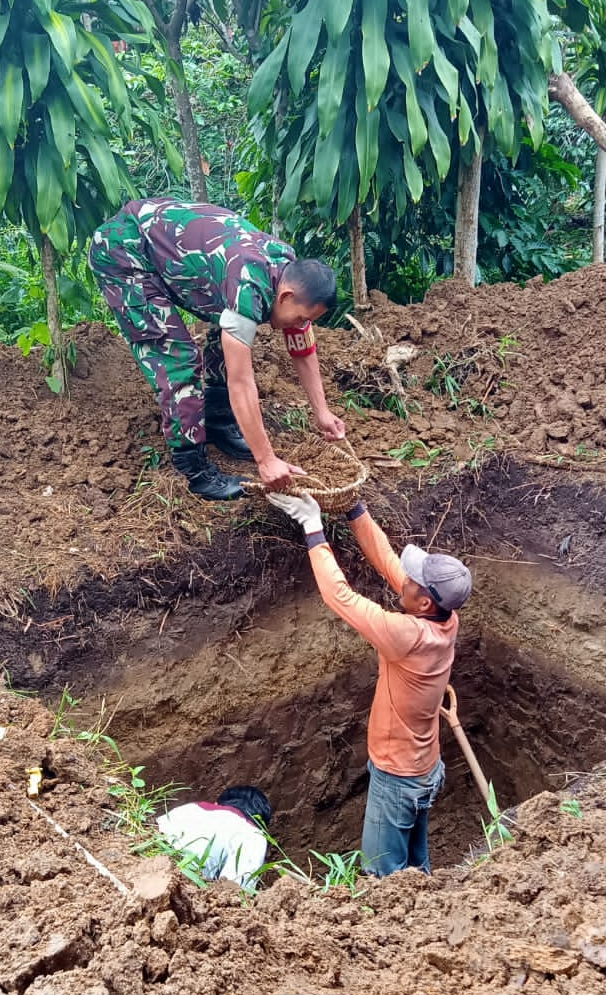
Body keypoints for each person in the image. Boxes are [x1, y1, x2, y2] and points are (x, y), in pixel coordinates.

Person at [267, 489, 472, 877]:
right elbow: (388, 562)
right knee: (415, 865)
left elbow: (340, 597)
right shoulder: (446, 618)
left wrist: (313, 528)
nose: (405, 579)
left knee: (384, 877)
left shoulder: (405, 635)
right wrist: (354, 508)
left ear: (424, 602)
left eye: (413, 581)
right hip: (425, 770)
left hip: (397, 779)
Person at [89, 199, 344, 501]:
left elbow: (302, 344)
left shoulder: (286, 270)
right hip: (124, 250)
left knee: (233, 338)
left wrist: (322, 412)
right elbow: (241, 382)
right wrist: (266, 460)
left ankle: (219, 421)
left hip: (168, 250)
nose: (301, 325)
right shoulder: (248, 285)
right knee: (178, 357)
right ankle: (194, 467)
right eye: (302, 317)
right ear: (286, 296)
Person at [157, 785, 272, 892]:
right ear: (260, 825)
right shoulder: (253, 835)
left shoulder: (187, 809)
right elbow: (233, 894)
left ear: (216, 804)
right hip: (173, 890)